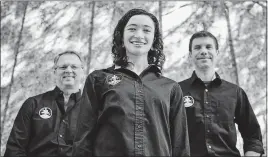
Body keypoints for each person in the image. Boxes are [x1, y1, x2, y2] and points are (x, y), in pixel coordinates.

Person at [72, 8, 190, 156]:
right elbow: (83, 140)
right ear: (121, 37)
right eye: (132, 29)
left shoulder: (171, 88)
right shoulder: (98, 80)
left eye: (146, 30)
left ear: (154, 41)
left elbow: (180, 146)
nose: (139, 35)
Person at [179, 31, 264, 157]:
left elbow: (253, 136)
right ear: (190, 55)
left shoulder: (235, 92)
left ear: (217, 53)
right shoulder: (177, 91)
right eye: (197, 47)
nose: (203, 51)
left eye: (208, 47)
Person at [4, 51, 85, 156]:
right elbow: (14, 149)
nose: (68, 70)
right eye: (63, 67)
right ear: (55, 72)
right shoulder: (33, 104)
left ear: (82, 71)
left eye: (74, 67)